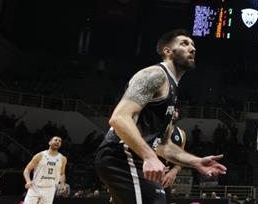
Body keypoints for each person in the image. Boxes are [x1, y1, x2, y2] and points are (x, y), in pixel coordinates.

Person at [95, 29, 227, 204]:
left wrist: (196, 162)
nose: (192, 49)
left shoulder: (172, 88)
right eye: (184, 43)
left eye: (193, 45)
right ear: (167, 51)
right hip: (120, 156)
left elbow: (163, 146)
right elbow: (119, 118)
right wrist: (149, 156)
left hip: (133, 159)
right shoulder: (155, 75)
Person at [23, 136, 68, 204]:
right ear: (49, 142)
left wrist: (62, 185)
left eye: (60, 141)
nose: (58, 142)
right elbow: (27, 170)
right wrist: (28, 181)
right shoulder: (40, 155)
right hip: (35, 187)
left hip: (50, 189)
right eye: (56, 140)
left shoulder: (63, 158)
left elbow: (62, 173)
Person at [161, 108, 188, 190]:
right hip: (149, 172)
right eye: (172, 109)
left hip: (167, 177)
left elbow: (181, 160)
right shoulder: (155, 128)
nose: (174, 112)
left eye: (177, 110)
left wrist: (174, 171)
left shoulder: (181, 133)